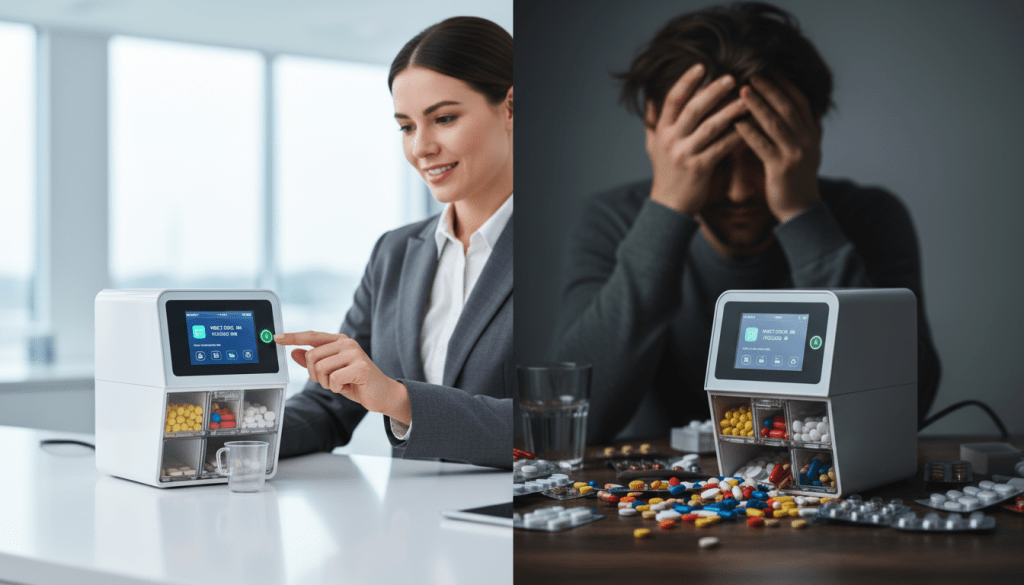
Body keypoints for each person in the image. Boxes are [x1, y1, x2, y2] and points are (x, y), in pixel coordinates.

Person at [553, 2, 940, 444]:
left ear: (811, 134)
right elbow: (572, 419)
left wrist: (804, 216)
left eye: (760, 153)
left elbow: (905, 409)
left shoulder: (868, 218)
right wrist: (666, 210)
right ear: (656, 133)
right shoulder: (614, 221)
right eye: (714, 158)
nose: (739, 192)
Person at [275, 16, 513, 469]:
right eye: (406, 126)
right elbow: (329, 407)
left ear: (510, 107)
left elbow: (560, 425)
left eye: (444, 119)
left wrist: (400, 400)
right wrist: (227, 437)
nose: (421, 147)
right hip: (410, 524)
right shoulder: (396, 253)